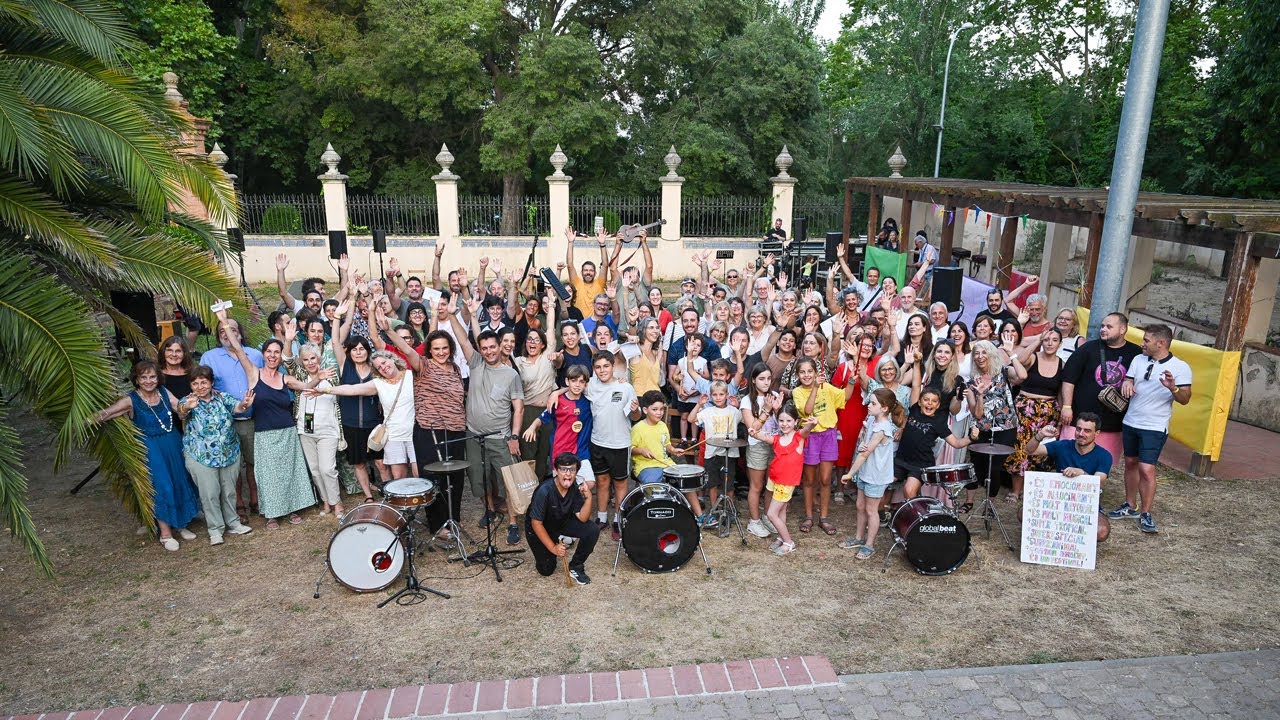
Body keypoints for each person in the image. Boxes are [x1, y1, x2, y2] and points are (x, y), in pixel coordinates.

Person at [223, 310, 319, 529]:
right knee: (268, 475)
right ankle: (272, 514)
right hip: (264, 434)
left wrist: (318, 378)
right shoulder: (253, 373)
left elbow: (306, 387)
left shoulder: (286, 378)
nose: (273, 355)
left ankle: (292, 509)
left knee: (290, 472)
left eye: (277, 352)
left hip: (287, 432)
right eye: (269, 351)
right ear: (263, 354)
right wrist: (224, 321)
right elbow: (238, 350)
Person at [95, 361, 200, 550]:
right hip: (151, 450)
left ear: (158, 378)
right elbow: (106, 414)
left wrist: (188, 406)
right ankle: (165, 534)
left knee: (180, 481)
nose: (149, 381)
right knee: (162, 487)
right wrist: (82, 421)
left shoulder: (164, 392)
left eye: (152, 377)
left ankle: (181, 524)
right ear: (136, 379)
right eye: (143, 377)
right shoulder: (131, 400)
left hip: (173, 444)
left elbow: (180, 409)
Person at [1109, 324, 1192, 533]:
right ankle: (1130, 505)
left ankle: (1146, 513)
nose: (1142, 343)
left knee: (1146, 469)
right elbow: (1129, 378)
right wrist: (1127, 382)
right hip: (1131, 421)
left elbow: (1185, 399)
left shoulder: (1180, 367)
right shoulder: (1138, 359)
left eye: (1147, 340)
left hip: (1154, 426)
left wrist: (1173, 388)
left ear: (1161, 343)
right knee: (1130, 463)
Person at [458, 325, 525, 544]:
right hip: (474, 437)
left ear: (500, 346)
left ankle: (513, 523)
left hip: (500, 438)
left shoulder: (511, 375)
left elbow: (519, 408)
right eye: (484, 348)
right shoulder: (476, 364)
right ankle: (489, 510)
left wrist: (514, 437)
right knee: (479, 478)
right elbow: (463, 341)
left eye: (492, 347)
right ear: (480, 350)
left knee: (508, 481)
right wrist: (451, 314)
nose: (489, 351)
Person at [176, 366, 255, 545]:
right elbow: (181, 412)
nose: (200, 387)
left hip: (228, 453)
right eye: (195, 383)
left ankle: (233, 523)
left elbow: (237, 407)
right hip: (201, 457)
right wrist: (187, 407)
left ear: (211, 382)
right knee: (210, 494)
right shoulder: (188, 400)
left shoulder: (222, 397)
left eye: (204, 382)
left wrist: (244, 404)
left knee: (229, 491)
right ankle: (215, 530)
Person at [199, 314, 262, 521]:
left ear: (240, 333)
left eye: (232, 330)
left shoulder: (255, 355)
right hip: (225, 422)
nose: (227, 334)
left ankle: (256, 500)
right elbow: (202, 384)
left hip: (253, 419)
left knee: (253, 462)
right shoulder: (209, 357)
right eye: (222, 331)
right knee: (232, 465)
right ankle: (238, 504)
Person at [1060, 312, 1142, 461]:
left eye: (1109, 327)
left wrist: (1130, 380)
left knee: (1103, 465)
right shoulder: (1087, 348)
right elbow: (1068, 379)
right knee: (1068, 460)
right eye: (1102, 326)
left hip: (1112, 424)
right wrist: (1066, 406)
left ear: (1122, 329)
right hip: (1080, 420)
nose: (1103, 329)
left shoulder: (1136, 353)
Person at [1023, 414, 1113, 543]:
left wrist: (1082, 473)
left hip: (1085, 504)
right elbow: (1029, 450)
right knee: (1023, 514)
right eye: (1078, 429)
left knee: (1101, 532)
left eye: (1087, 431)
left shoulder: (1104, 455)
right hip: (1057, 500)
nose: (1081, 434)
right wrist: (1040, 435)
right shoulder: (1063, 446)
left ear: (1097, 433)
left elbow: (1098, 482)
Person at [839, 389, 905, 560]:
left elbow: (865, 454)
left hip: (876, 476)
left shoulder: (883, 428)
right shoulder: (871, 419)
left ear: (884, 408)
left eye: (873, 403)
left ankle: (869, 545)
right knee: (860, 505)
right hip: (866, 472)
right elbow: (864, 441)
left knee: (871, 510)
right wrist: (862, 443)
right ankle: (858, 538)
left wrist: (849, 473)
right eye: (870, 402)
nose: (869, 405)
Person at [747, 401, 817, 556]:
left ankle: (788, 542)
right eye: (781, 420)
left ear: (796, 422)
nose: (785, 424)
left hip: (786, 482)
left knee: (771, 514)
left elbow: (807, 430)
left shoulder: (799, 437)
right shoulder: (777, 438)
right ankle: (781, 537)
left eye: (789, 421)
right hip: (774, 478)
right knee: (781, 511)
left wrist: (812, 424)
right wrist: (753, 432)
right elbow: (762, 436)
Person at [791, 356, 849, 536]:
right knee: (809, 479)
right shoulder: (797, 392)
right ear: (798, 375)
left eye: (810, 371)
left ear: (816, 372)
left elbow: (845, 396)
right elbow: (807, 411)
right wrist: (815, 387)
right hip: (811, 436)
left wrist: (852, 381)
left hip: (828, 435)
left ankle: (824, 517)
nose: (807, 375)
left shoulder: (827, 387)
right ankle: (808, 516)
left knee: (825, 479)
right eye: (802, 372)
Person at [1005, 328, 1065, 501]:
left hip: (1048, 412)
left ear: (1060, 343)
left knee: (1040, 451)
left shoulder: (1062, 364)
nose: (1050, 343)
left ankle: (1030, 489)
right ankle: (1016, 490)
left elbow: (1061, 392)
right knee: (1020, 449)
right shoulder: (1033, 358)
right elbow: (1020, 360)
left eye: (1054, 340)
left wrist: (1061, 415)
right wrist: (1038, 340)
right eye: (1047, 340)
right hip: (1025, 409)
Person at [329, 305, 380, 503]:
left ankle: (389, 493)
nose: (358, 352)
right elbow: (335, 341)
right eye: (354, 349)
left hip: (374, 423)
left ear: (367, 351)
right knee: (359, 463)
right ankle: (368, 495)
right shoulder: (345, 366)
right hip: (351, 424)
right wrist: (337, 316)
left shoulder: (375, 369)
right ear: (349, 352)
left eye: (362, 349)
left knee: (381, 462)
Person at [525, 453, 599, 585]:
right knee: (546, 569)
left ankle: (576, 566)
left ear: (576, 472)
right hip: (540, 528)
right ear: (556, 470)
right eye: (563, 469)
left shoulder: (574, 487)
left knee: (592, 530)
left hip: (561, 521)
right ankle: (554, 542)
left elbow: (582, 518)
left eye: (572, 470)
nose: (568, 474)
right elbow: (536, 523)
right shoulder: (544, 490)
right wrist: (553, 548)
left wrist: (588, 498)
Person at [966, 340, 1023, 503]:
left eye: (984, 352)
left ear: (991, 354)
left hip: (1005, 428)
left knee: (994, 468)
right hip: (981, 429)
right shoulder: (971, 382)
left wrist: (1011, 353)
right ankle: (969, 502)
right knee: (975, 466)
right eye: (976, 353)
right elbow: (977, 414)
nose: (980, 356)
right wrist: (980, 395)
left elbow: (1022, 376)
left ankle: (989, 504)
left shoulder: (1004, 372)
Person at [291, 343, 343, 518]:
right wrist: (288, 340)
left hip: (328, 429)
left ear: (319, 358)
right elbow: (288, 361)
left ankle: (337, 502)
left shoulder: (331, 374)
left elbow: (341, 393)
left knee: (327, 468)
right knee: (314, 469)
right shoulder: (300, 376)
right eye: (306, 360)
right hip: (306, 429)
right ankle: (326, 500)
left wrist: (323, 384)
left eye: (313, 358)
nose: (310, 362)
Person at [514, 293, 560, 480]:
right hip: (528, 411)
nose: (532, 342)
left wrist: (552, 305)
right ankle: (527, 491)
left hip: (548, 412)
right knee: (528, 454)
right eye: (529, 339)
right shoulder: (518, 362)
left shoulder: (547, 356)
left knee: (544, 454)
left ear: (543, 345)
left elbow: (550, 328)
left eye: (536, 340)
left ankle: (540, 489)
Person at [523, 364, 593, 484]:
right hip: (560, 452)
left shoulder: (589, 400)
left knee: (589, 483)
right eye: (574, 381)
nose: (577, 384)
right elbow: (542, 417)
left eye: (581, 382)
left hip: (581, 452)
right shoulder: (557, 401)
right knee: (563, 486)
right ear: (567, 381)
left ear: (586, 384)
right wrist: (532, 427)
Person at [689, 381, 743, 526]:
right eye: (715, 395)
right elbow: (690, 419)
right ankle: (714, 510)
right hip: (711, 453)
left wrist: (737, 406)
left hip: (729, 453)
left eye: (721, 394)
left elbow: (745, 419)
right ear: (710, 396)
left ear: (727, 395)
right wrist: (699, 404)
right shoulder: (707, 412)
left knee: (728, 485)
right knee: (712, 484)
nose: (718, 397)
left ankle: (729, 510)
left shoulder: (733, 411)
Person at [740, 364, 780, 538]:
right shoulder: (747, 400)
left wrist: (778, 410)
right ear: (753, 380)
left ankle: (768, 516)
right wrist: (767, 410)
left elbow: (783, 423)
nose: (766, 382)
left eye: (769, 379)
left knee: (771, 485)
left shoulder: (775, 395)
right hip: (757, 446)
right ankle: (754, 521)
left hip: (775, 444)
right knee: (756, 486)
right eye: (762, 379)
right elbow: (752, 429)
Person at [631, 390, 681, 484]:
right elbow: (630, 449)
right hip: (646, 466)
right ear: (645, 410)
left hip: (666, 463)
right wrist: (641, 451)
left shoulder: (663, 425)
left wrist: (672, 450)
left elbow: (666, 444)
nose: (659, 413)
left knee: (682, 480)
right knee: (654, 484)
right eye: (655, 409)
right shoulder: (638, 428)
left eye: (661, 409)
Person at [565, 225, 611, 318]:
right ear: (581, 272)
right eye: (585, 270)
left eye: (591, 270)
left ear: (595, 273)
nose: (588, 273)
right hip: (579, 323)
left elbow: (605, 265)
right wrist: (570, 242)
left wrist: (602, 244)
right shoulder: (576, 282)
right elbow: (570, 265)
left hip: (597, 323)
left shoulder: (600, 283)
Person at [157, 335, 195, 402]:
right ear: (163, 352)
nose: (174, 354)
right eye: (170, 350)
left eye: (178, 351)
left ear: (184, 353)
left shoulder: (193, 374)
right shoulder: (155, 374)